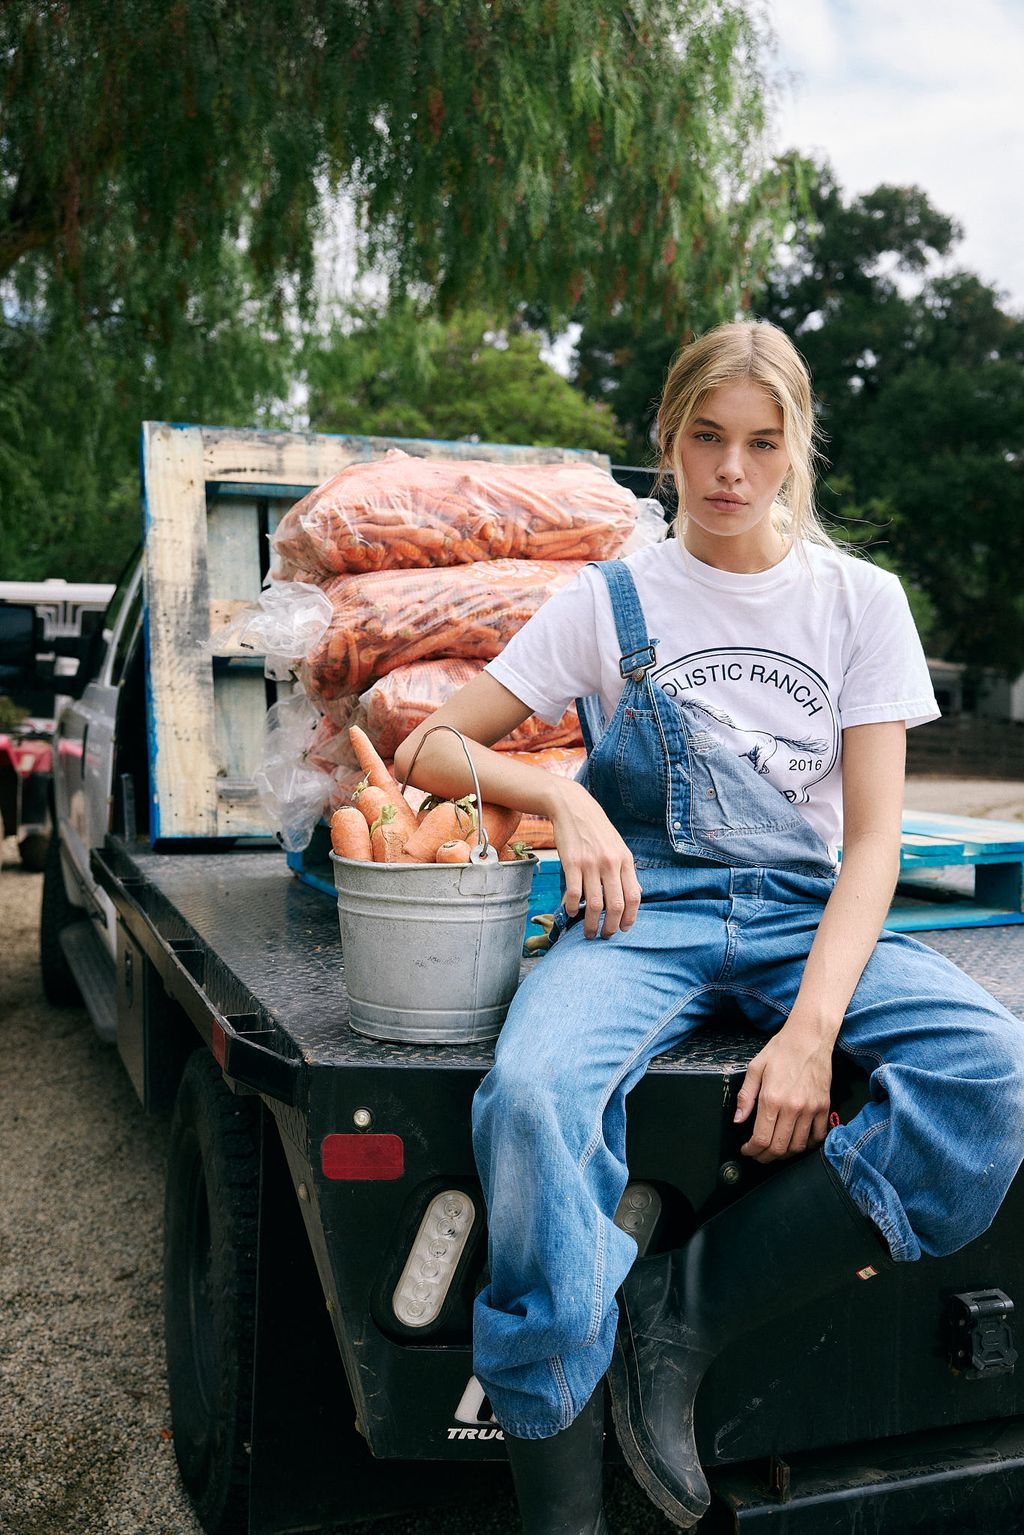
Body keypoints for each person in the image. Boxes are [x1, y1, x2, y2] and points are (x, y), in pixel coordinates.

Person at [392, 320, 1024, 1535]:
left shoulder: (859, 601)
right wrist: (563, 793)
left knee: (991, 1073)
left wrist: (810, 1032)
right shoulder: (608, 600)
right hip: (641, 917)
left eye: (760, 443)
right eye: (705, 437)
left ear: (796, 453)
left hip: (803, 912)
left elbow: (876, 844)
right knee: (526, 1098)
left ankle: (681, 1312)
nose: (729, 468)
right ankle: (560, 1479)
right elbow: (428, 746)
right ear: (668, 441)